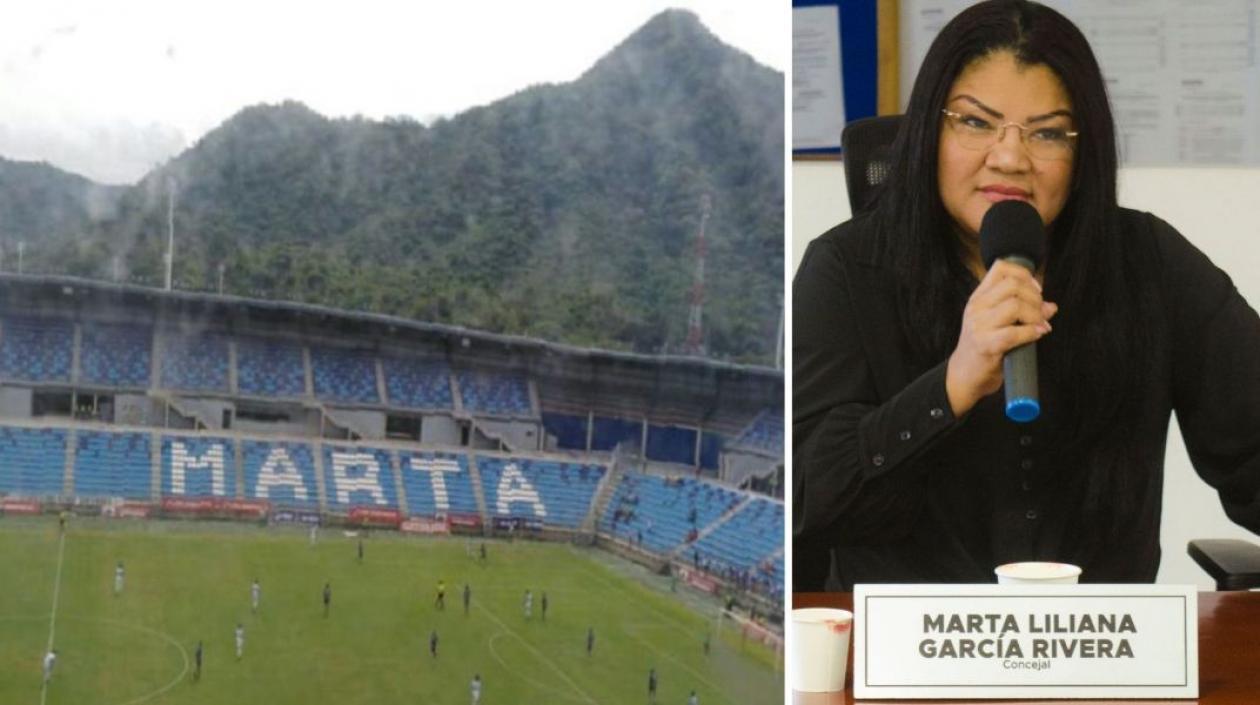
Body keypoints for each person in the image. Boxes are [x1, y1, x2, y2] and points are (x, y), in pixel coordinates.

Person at [793, 0, 1260, 591]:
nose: (1010, 158)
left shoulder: (1148, 263)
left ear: (1082, 151)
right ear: (926, 135)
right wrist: (950, 386)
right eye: (975, 122)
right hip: (908, 660)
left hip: (1105, 653)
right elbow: (810, 498)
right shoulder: (845, 270)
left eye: (1047, 133)